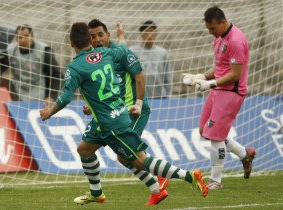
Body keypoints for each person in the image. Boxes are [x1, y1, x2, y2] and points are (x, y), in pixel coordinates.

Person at [40, 22, 208, 206]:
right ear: (90, 40)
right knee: (84, 150)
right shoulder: (106, 53)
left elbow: (65, 96)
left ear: (71, 43)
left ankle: (190, 176)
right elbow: (122, 49)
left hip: (111, 124)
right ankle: (97, 193)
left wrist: (50, 111)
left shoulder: (75, 67)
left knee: (140, 160)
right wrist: (121, 36)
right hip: (108, 117)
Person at [84, 19, 169, 205]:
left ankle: (162, 178)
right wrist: (92, 106)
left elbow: (139, 77)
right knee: (87, 149)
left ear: (107, 35)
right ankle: (157, 188)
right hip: (114, 113)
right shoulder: (96, 58)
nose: (97, 39)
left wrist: (138, 104)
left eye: (100, 35)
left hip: (134, 110)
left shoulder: (121, 53)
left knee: (125, 155)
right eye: (92, 37)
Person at [182, 6, 256, 190]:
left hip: (231, 92)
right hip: (218, 89)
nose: (210, 32)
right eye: (208, 29)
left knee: (215, 136)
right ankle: (243, 153)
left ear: (223, 22)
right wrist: (201, 77)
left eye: (212, 28)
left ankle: (216, 180)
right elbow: (220, 66)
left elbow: (236, 74)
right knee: (203, 130)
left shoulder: (236, 41)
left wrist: (211, 84)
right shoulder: (219, 38)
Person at [6, 24, 61, 102]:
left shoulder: (44, 51)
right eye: (20, 37)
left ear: (32, 36)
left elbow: (56, 74)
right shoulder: (10, 51)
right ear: (16, 39)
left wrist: (50, 96)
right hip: (17, 94)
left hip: (39, 94)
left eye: (26, 36)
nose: (23, 40)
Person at [130, 20, 172, 98]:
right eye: (146, 32)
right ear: (141, 34)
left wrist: (168, 95)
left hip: (160, 97)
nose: (149, 35)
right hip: (140, 97)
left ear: (156, 34)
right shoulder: (133, 52)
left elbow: (168, 76)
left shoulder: (163, 52)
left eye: (151, 31)